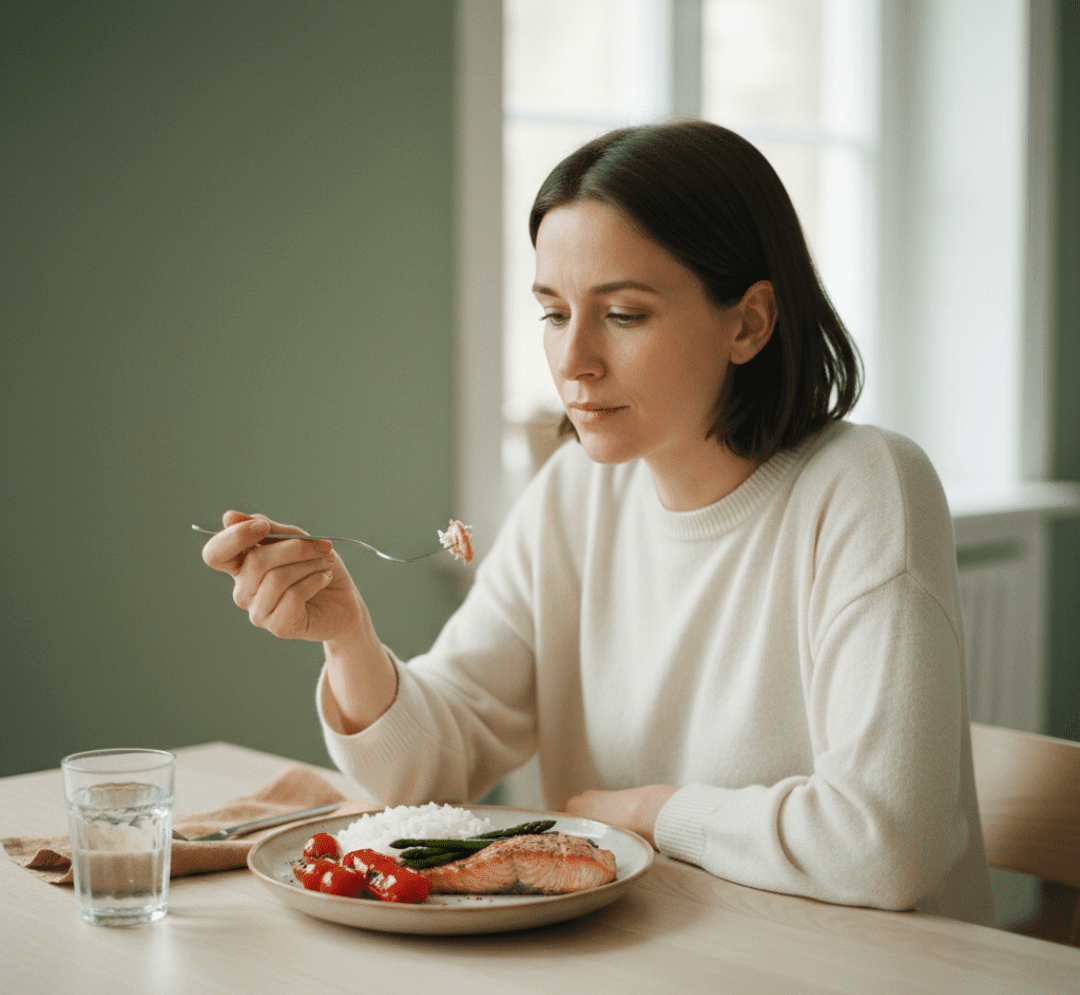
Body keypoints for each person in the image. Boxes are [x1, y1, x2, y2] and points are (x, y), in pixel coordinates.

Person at [201, 119, 996, 925]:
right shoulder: (575, 490)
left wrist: (653, 812)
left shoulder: (867, 487)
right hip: (656, 956)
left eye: (622, 315)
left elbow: (886, 844)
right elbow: (433, 765)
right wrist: (349, 637)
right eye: (553, 313)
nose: (574, 359)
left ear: (749, 323)